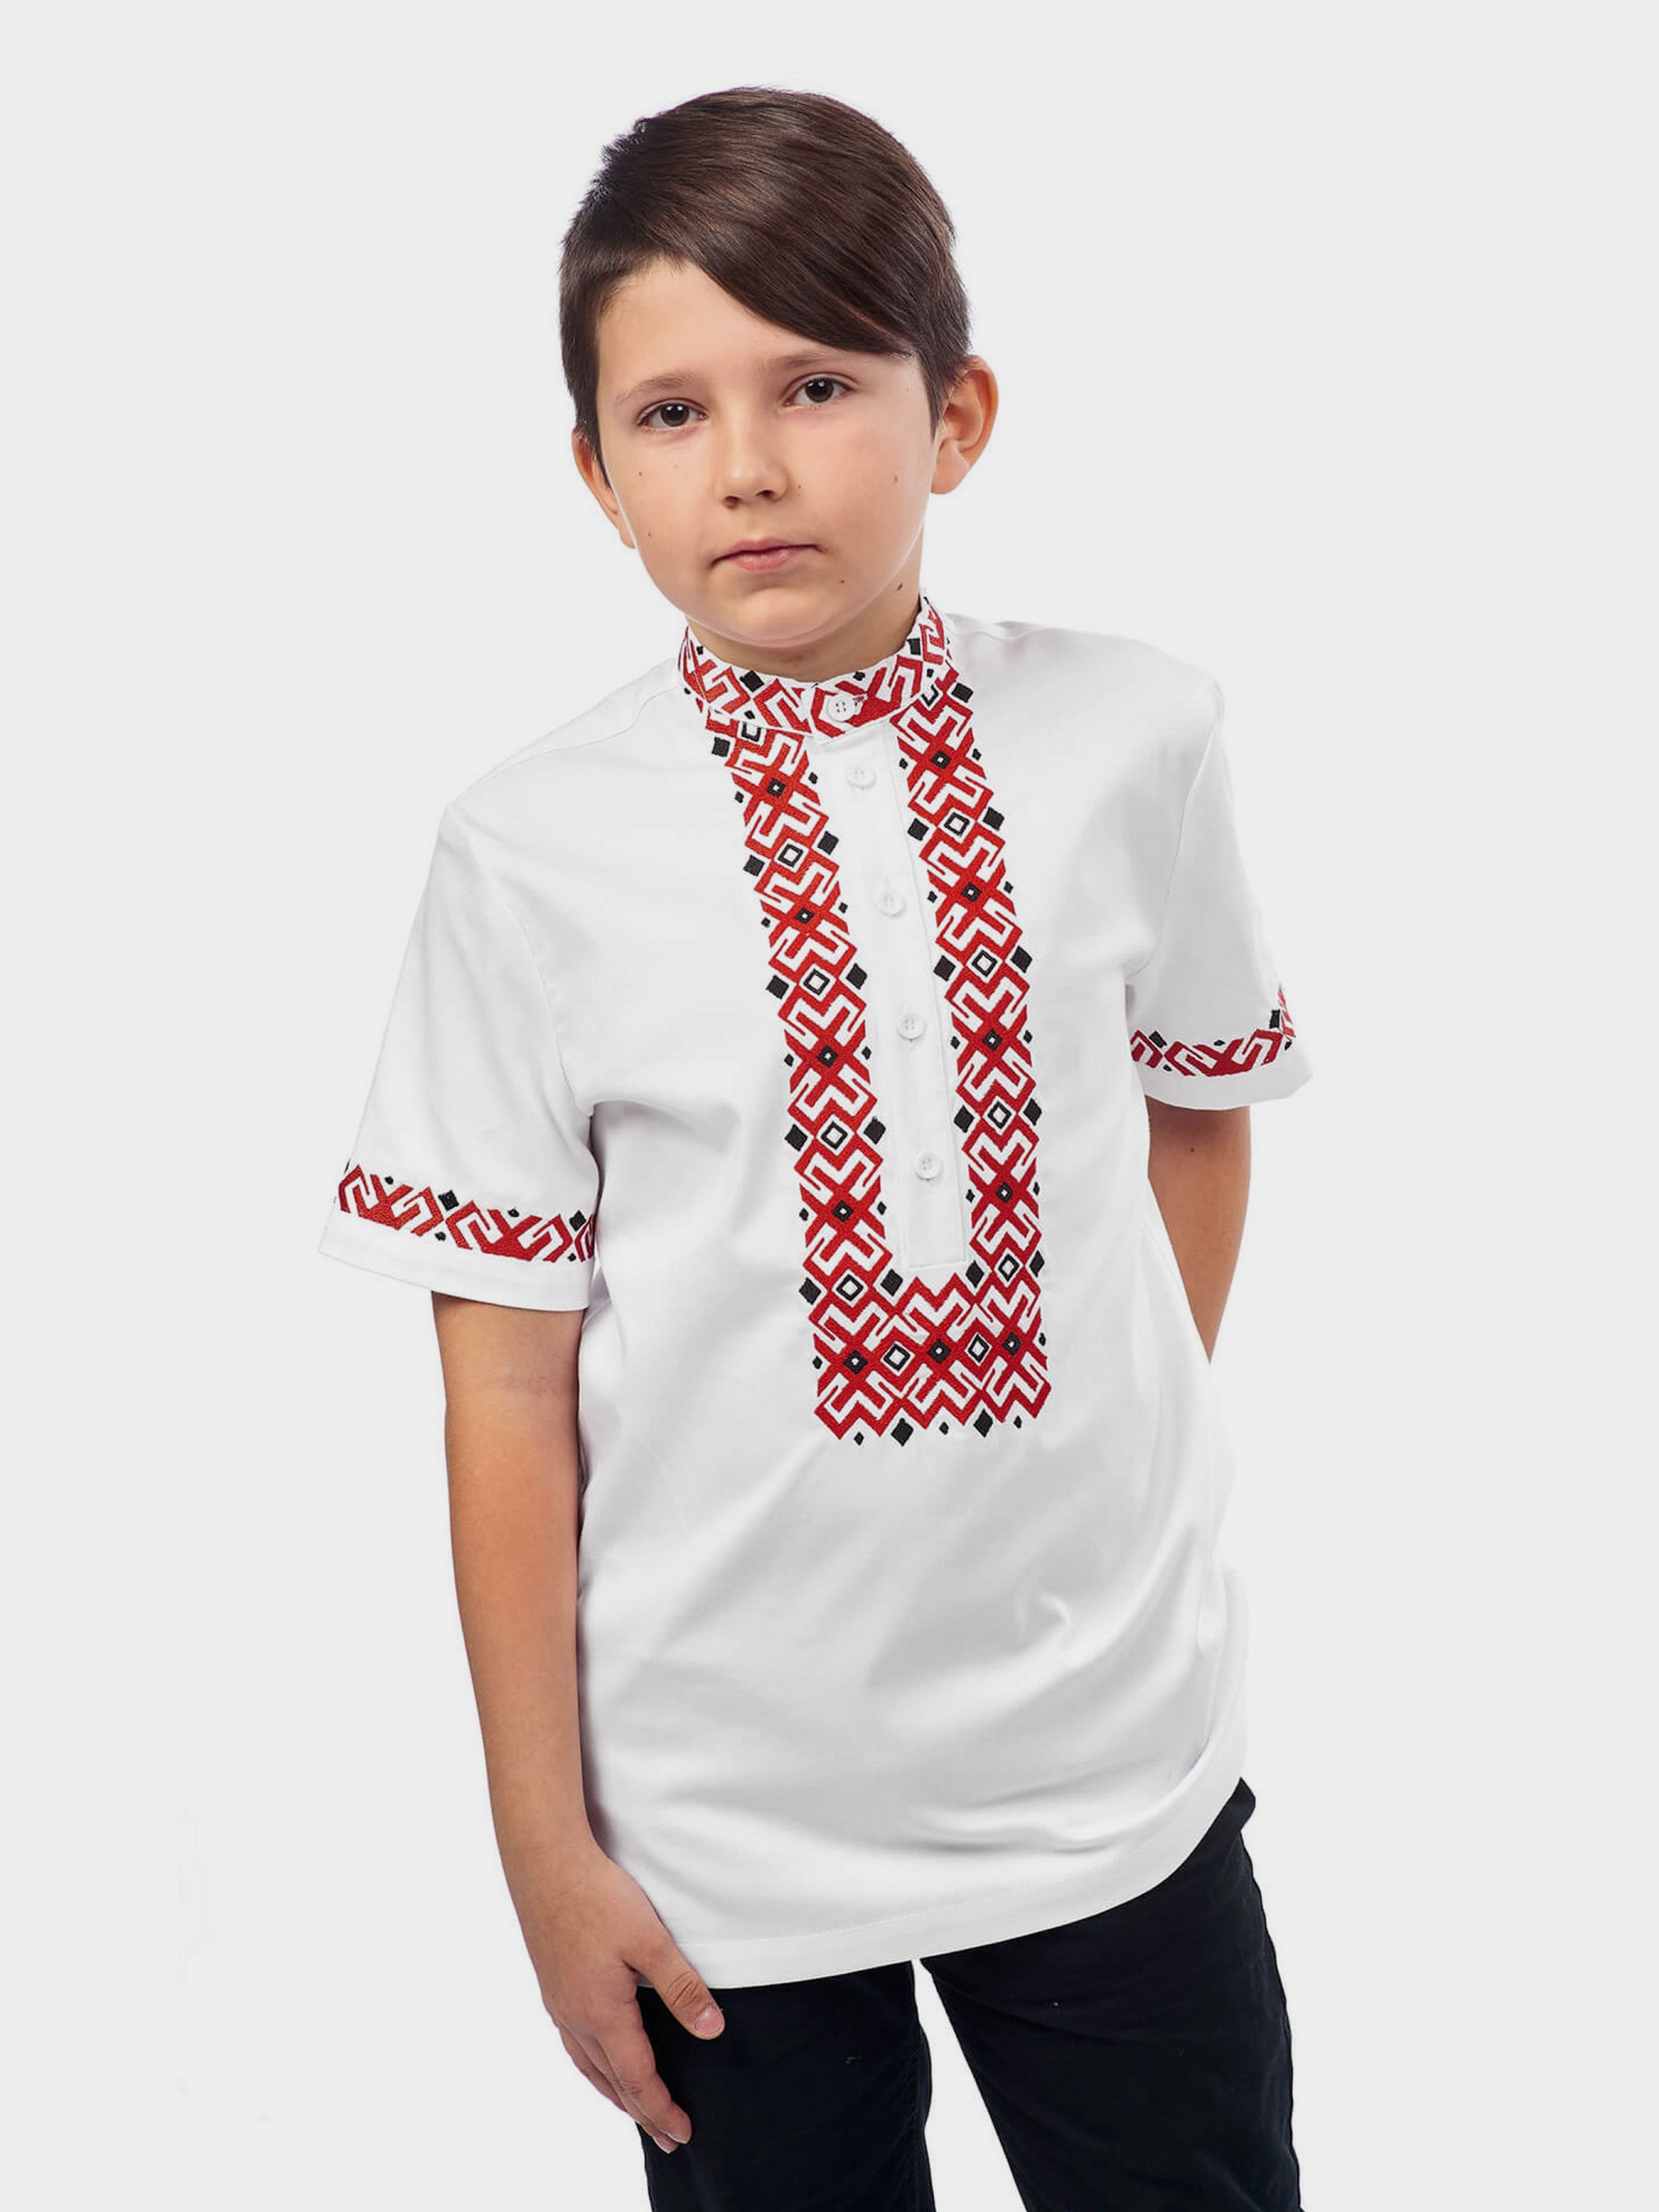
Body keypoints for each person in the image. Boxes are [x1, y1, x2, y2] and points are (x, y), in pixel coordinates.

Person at [319, 83, 1311, 2212]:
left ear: (956, 415)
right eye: (671, 413)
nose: (749, 465)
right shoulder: (529, 850)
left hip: (1106, 1762)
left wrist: (1096, 1464)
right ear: (596, 476)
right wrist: (544, 1846)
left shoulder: (1138, 736)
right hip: (716, 1831)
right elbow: (501, 1378)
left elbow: (1197, 1111)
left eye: (818, 384)